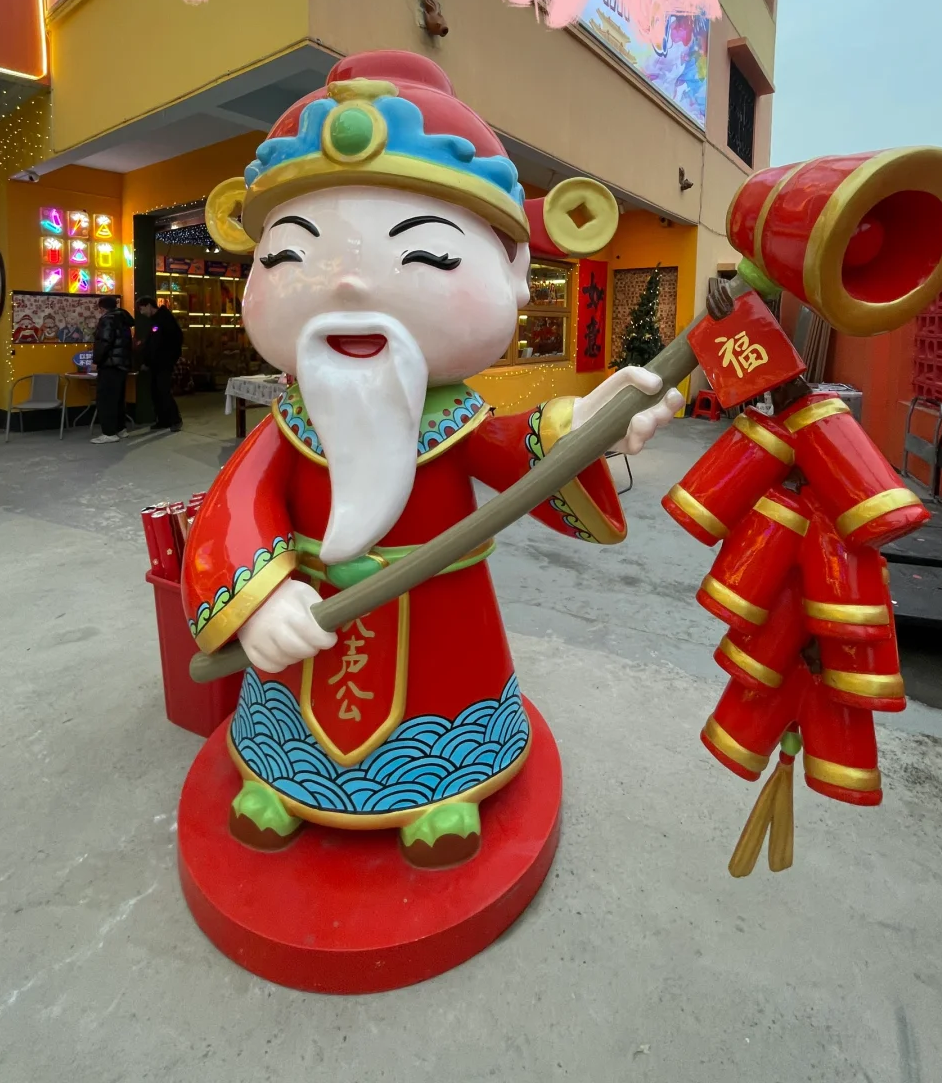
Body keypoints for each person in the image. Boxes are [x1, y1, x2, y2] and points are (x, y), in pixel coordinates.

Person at [182, 51, 683, 864]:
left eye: (426, 255)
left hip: (440, 609)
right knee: (288, 698)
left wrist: (584, 427)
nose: (347, 287)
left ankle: (445, 782)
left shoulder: (455, 416)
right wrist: (260, 597)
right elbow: (236, 507)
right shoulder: (290, 419)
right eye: (289, 256)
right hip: (309, 608)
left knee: (445, 704)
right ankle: (282, 774)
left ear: (516, 275)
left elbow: (520, 454)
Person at [137, 296, 184, 432]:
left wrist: (168, 358)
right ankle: (163, 420)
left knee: (163, 391)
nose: (141, 312)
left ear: (149, 305)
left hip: (163, 363)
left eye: (142, 309)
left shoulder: (164, 320)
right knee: (156, 392)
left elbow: (160, 343)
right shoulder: (156, 320)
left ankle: (175, 420)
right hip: (156, 363)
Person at [91, 296, 134, 444]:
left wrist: (96, 360)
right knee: (118, 399)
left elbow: (104, 341)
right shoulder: (123, 319)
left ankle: (109, 433)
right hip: (122, 364)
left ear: (102, 308)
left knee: (106, 399)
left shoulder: (107, 319)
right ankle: (120, 429)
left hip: (110, 364)